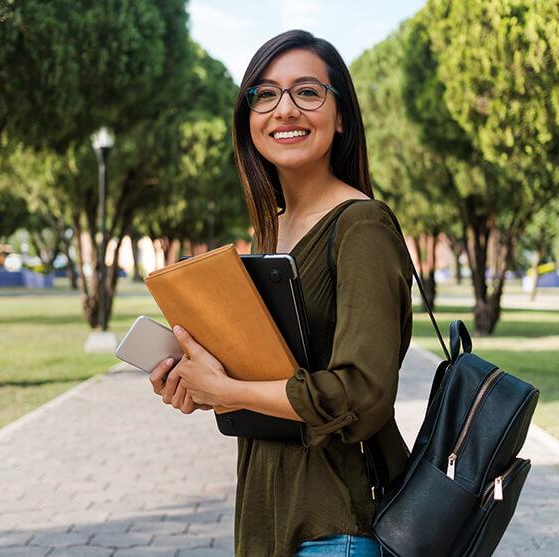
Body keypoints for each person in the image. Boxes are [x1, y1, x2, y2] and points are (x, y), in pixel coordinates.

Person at [148, 30, 413, 557]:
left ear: (341, 117)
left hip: (334, 524)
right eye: (265, 95)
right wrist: (203, 385)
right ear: (249, 119)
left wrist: (231, 393)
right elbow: (273, 378)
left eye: (307, 92)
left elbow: (363, 395)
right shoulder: (272, 231)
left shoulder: (361, 226)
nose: (284, 109)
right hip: (270, 516)